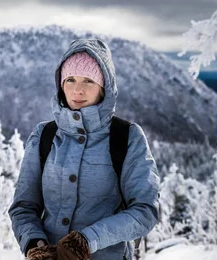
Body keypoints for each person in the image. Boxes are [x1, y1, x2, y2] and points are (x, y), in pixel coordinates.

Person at [9, 38, 160, 260]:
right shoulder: (44, 135)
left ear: (104, 88)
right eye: (70, 79)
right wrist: (34, 243)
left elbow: (145, 211)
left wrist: (88, 240)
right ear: (61, 85)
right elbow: (23, 207)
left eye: (88, 80)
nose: (77, 89)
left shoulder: (126, 136)